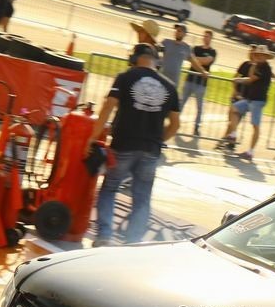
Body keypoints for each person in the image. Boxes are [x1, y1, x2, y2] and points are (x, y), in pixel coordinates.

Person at [85, 44, 180, 247]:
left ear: (135, 59)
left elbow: (108, 106)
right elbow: (175, 125)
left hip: (124, 145)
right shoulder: (170, 86)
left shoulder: (125, 77)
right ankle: (132, 243)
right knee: (142, 198)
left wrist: (92, 138)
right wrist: (158, 140)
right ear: (156, 62)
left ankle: (104, 235)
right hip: (151, 150)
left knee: (110, 188)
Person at [217, 44, 275, 161]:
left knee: (255, 126)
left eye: (262, 55)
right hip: (250, 99)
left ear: (266, 57)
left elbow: (251, 78)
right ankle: (233, 135)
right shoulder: (258, 66)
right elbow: (250, 78)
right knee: (234, 109)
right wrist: (240, 79)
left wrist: (243, 76)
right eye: (258, 54)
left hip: (258, 100)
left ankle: (250, 152)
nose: (259, 56)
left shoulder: (265, 68)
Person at [180, 29, 216, 136]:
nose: (205, 38)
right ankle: (175, 121)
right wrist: (196, 60)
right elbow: (190, 59)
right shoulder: (196, 48)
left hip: (201, 83)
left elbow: (207, 61)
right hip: (190, 79)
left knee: (200, 107)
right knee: (181, 102)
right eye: (204, 36)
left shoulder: (212, 51)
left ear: (211, 38)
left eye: (207, 36)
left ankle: (197, 126)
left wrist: (195, 59)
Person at [158, 23, 206, 90]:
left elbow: (194, 62)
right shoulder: (166, 42)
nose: (177, 32)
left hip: (173, 83)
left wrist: (203, 72)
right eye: (176, 30)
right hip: (161, 79)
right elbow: (155, 51)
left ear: (184, 34)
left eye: (179, 31)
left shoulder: (186, 48)